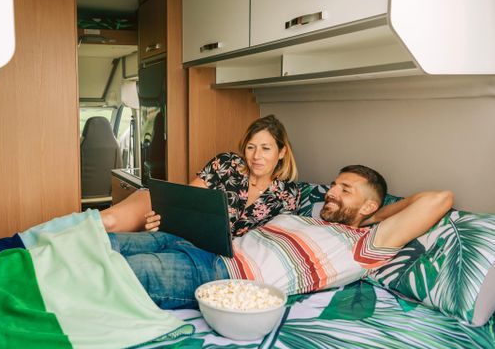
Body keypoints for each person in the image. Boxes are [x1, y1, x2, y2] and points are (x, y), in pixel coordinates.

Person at [106, 164, 453, 309]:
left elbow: (439, 200)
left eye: (345, 189)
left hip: (225, 276)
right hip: (198, 244)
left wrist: (374, 216)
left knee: (114, 276)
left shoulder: (363, 245)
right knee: (101, 246)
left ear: (370, 205)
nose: (331, 192)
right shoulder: (305, 217)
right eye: (333, 185)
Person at [101, 114, 300, 235]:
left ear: (281, 152)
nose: (257, 156)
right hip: (182, 233)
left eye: (266, 148)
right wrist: (160, 221)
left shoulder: (288, 195)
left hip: (212, 257)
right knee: (106, 226)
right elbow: (184, 202)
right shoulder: (227, 163)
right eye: (251, 147)